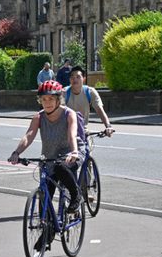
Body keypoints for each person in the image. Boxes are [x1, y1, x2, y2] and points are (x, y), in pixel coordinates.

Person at [7, 80, 85, 224]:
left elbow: (72, 135)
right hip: (49, 157)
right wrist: (16, 152)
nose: (47, 102)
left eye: (51, 99)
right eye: (43, 99)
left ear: (58, 100)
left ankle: (76, 195)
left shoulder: (69, 114)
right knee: (45, 194)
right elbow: (29, 135)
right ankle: (46, 234)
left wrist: (74, 151)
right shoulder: (39, 116)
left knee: (61, 168)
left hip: (71, 153)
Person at [65, 66, 115, 138]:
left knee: (85, 147)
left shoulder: (90, 92)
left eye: (78, 77)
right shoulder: (64, 93)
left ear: (84, 79)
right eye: (72, 77)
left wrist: (108, 125)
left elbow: (99, 109)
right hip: (66, 130)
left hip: (82, 130)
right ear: (69, 80)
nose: (75, 79)